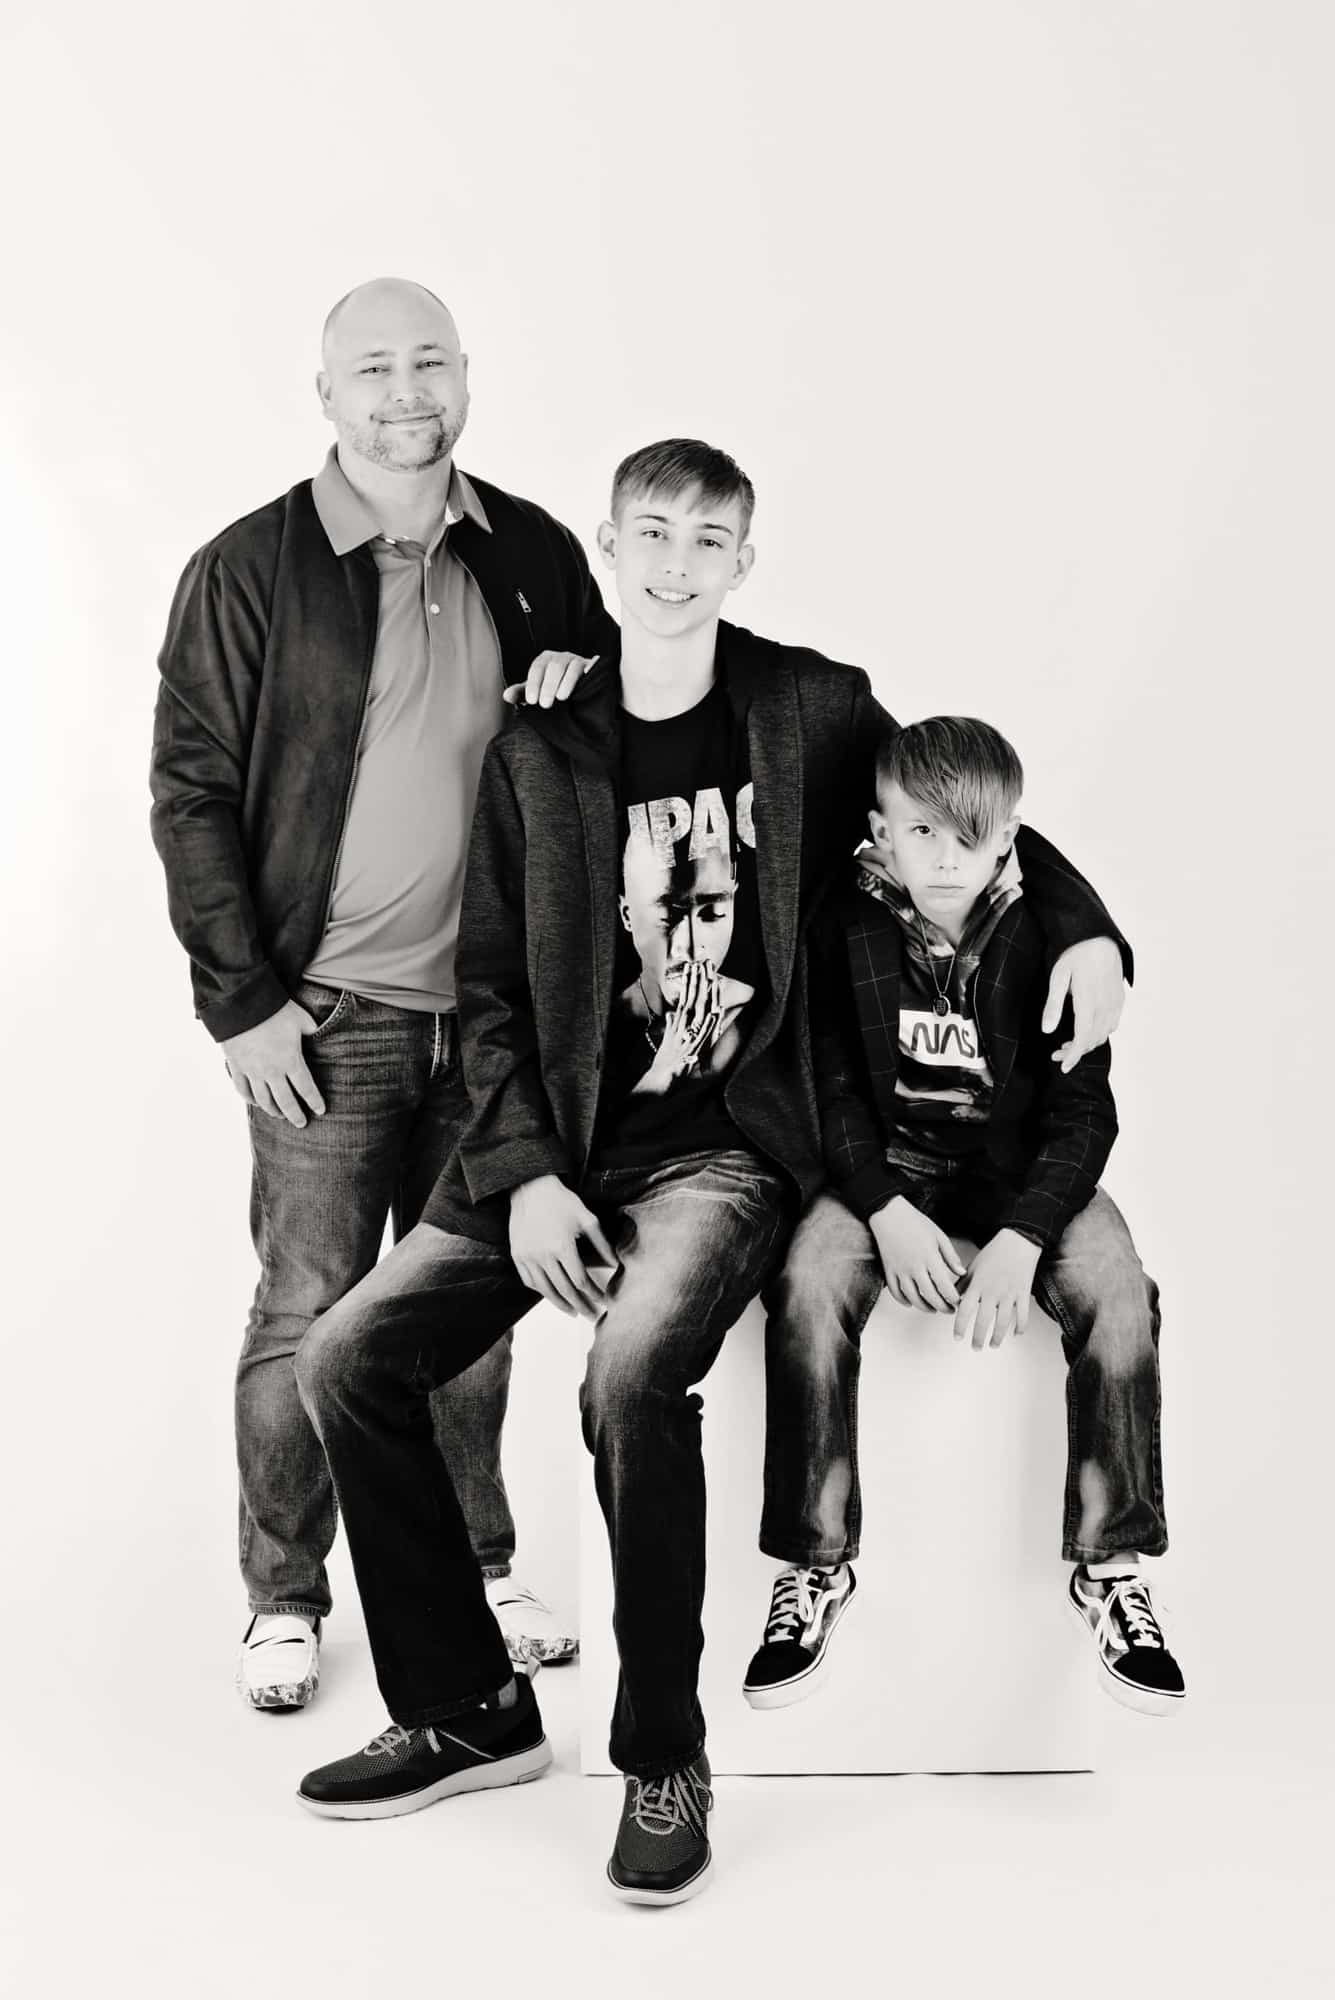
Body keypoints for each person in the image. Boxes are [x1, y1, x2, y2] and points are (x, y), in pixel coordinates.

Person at [291, 440, 1131, 1903]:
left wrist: (1085, 932)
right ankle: (465, 1709)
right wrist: (528, 1174)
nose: (674, 563)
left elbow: (960, 809)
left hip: (726, 1152)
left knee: (625, 1383)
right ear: (610, 549)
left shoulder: (806, 709)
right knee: (350, 1353)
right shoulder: (536, 745)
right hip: (555, 1154)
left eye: (707, 539)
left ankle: (660, 1756)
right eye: (650, 534)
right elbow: (485, 987)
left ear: (743, 559)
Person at [149, 276, 612, 1707]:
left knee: (462, 1309)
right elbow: (191, 792)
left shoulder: (528, 547)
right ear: (326, 395)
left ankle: (479, 1561)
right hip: (324, 1018)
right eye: (372, 369)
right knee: (306, 1304)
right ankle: (283, 1595)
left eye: (427, 364)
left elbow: (626, 743)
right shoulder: (249, 568)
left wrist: (579, 679)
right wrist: (242, 1003)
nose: (403, 392)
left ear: (466, 375)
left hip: (494, 1023)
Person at [743, 716, 1184, 1717]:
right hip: (888, 1166)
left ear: (1008, 841)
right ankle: (814, 1566)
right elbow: (834, 1093)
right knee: (808, 1283)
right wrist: (885, 1207)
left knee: (1120, 1287)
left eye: (970, 839)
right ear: (880, 831)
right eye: (921, 834)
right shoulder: (838, 922)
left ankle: (1110, 1567)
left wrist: (1025, 1235)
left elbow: (1085, 1107)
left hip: (1019, 1169)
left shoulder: (1046, 935)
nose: (946, 859)